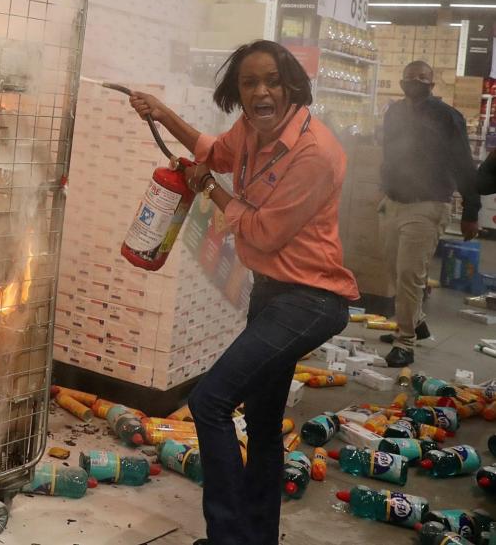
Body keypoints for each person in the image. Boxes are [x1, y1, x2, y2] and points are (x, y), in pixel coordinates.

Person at [129, 40, 356, 545]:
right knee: (262, 420)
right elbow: (214, 152)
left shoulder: (315, 152)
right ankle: (259, 538)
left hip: (311, 299)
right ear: (238, 92)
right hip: (271, 292)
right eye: (249, 83)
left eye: (272, 80)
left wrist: (207, 187)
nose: (261, 92)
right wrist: (163, 114)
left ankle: (228, 538)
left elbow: (262, 233)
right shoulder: (251, 131)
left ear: (292, 85)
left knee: (209, 401)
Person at [379, 60, 479, 368]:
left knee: (410, 273)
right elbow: (388, 153)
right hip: (394, 201)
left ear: (432, 85)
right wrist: (382, 190)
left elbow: (465, 165)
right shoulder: (393, 113)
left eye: (421, 79)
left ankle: (405, 342)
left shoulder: (448, 117)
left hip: (429, 203)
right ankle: (416, 321)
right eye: (409, 77)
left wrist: (471, 212)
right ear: (402, 81)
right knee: (394, 269)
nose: (414, 82)